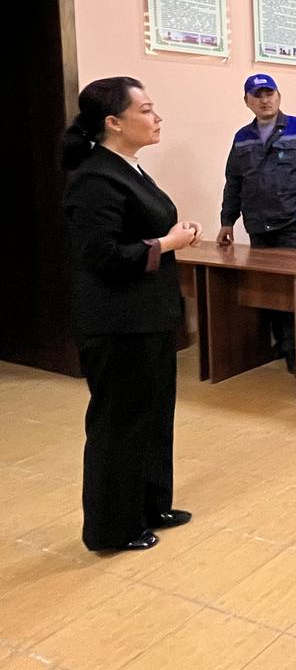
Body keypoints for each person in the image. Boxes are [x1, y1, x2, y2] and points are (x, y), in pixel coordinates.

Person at [63, 77, 202, 552]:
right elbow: (101, 255)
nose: (156, 118)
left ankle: (151, 505)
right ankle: (112, 528)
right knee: (119, 424)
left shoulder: (129, 169)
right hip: (118, 323)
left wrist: (171, 237)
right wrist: (167, 243)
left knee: (154, 415)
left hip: (150, 317)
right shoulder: (93, 179)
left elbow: (139, 231)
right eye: (145, 110)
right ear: (114, 122)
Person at [216, 74, 296, 374]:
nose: (264, 100)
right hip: (258, 225)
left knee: (293, 290)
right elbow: (234, 181)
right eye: (257, 95)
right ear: (247, 101)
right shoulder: (242, 137)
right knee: (268, 290)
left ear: (279, 96)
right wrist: (227, 221)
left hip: (293, 224)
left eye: (269, 94)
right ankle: (282, 343)